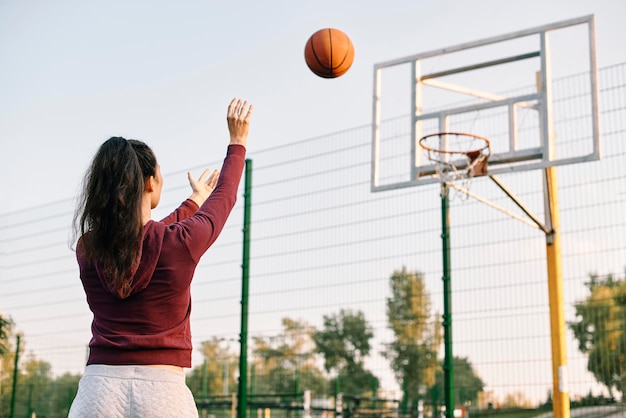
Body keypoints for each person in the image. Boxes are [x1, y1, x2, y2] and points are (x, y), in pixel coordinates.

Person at [68, 98, 253, 418]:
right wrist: (237, 143)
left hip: (97, 392)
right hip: (163, 392)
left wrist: (193, 201)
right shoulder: (179, 243)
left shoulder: (87, 248)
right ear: (151, 183)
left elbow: (140, 241)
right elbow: (223, 201)